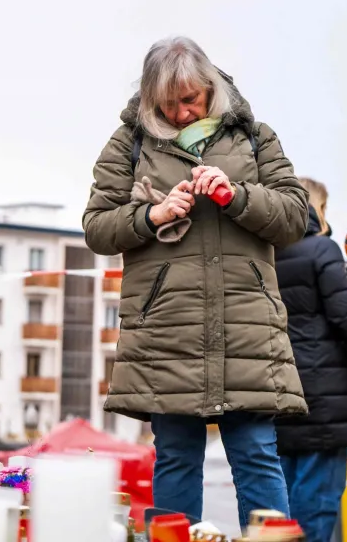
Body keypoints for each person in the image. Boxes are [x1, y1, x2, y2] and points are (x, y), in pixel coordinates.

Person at [82, 36, 310, 529]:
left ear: (210, 88)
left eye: (191, 100)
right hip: (168, 329)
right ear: (149, 99)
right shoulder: (129, 143)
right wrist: (151, 214)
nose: (183, 113)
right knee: (177, 459)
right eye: (169, 104)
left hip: (246, 328)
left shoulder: (255, 137)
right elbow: (97, 227)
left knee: (256, 455)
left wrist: (238, 197)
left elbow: (295, 217)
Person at [274, 177, 347, 541]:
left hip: (278, 394)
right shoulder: (323, 249)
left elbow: (305, 304)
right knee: (318, 506)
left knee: (284, 510)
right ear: (317, 209)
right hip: (323, 399)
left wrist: (345, 281)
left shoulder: (267, 252)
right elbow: (340, 317)